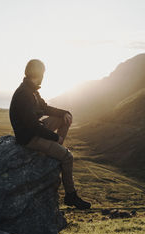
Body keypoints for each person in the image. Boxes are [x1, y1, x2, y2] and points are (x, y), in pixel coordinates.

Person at [9, 59, 91, 209]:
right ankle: (71, 196)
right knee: (68, 157)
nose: (44, 76)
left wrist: (65, 112)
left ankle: (55, 149)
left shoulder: (31, 90)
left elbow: (45, 108)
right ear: (39, 73)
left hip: (36, 130)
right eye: (43, 73)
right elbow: (32, 126)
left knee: (65, 119)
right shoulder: (24, 94)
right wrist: (55, 137)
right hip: (29, 138)